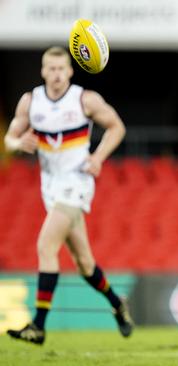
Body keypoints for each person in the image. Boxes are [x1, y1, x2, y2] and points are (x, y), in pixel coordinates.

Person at [4, 46, 131, 344]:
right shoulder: (30, 101)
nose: (57, 74)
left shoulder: (85, 99)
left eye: (62, 69)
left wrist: (98, 156)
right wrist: (17, 142)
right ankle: (116, 303)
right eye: (51, 68)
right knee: (85, 264)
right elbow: (9, 139)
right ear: (43, 71)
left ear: (71, 71)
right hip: (49, 186)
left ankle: (38, 325)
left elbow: (116, 127)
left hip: (77, 183)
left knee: (45, 246)